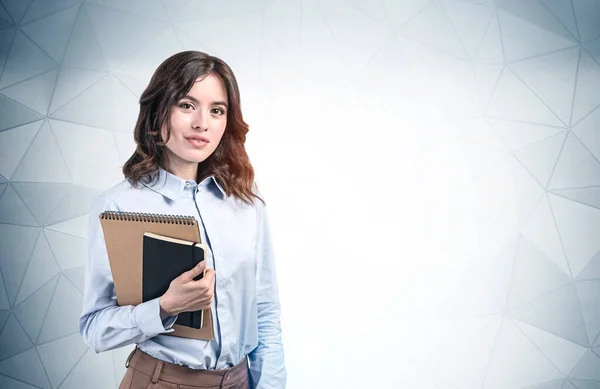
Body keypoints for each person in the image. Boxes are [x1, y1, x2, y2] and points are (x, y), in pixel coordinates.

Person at [79, 51, 286, 389]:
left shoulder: (246, 202)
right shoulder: (117, 205)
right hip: (162, 381)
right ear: (158, 112)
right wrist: (163, 308)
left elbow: (265, 309)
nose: (201, 123)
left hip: (241, 381)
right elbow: (95, 329)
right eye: (187, 105)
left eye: (216, 110)